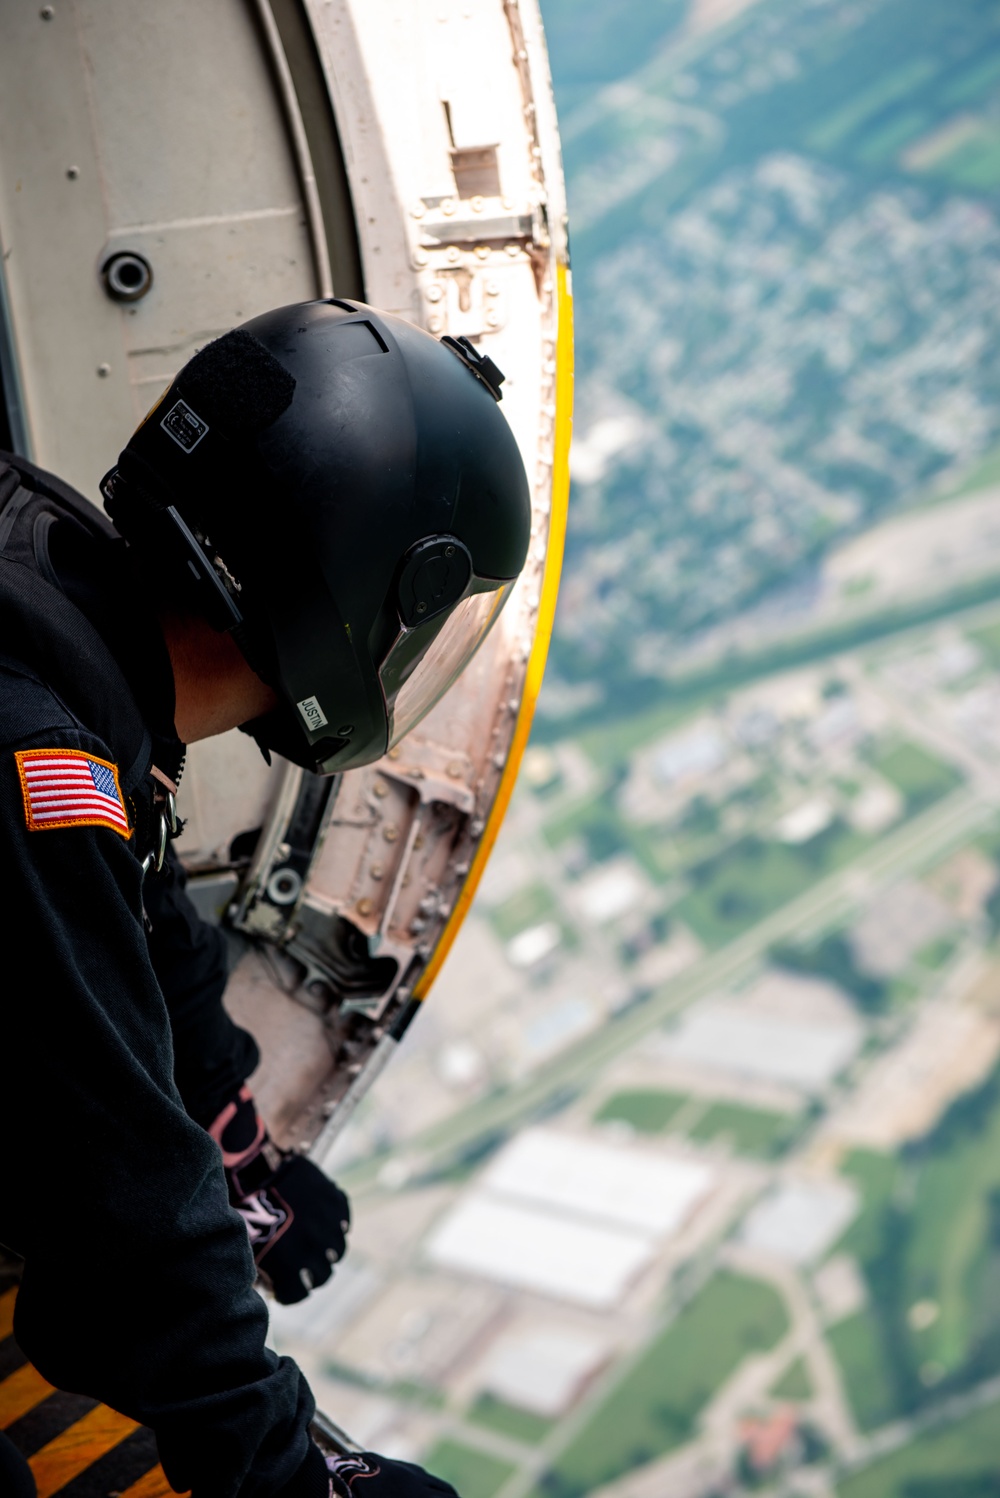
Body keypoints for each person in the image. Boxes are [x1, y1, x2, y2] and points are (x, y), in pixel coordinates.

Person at [0, 298, 530, 1496]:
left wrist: (234, 1128)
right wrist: (295, 1475)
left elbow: (127, 902)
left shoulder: (50, 597)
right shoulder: (36, 773)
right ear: (353, 601)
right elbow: (119, 1222)